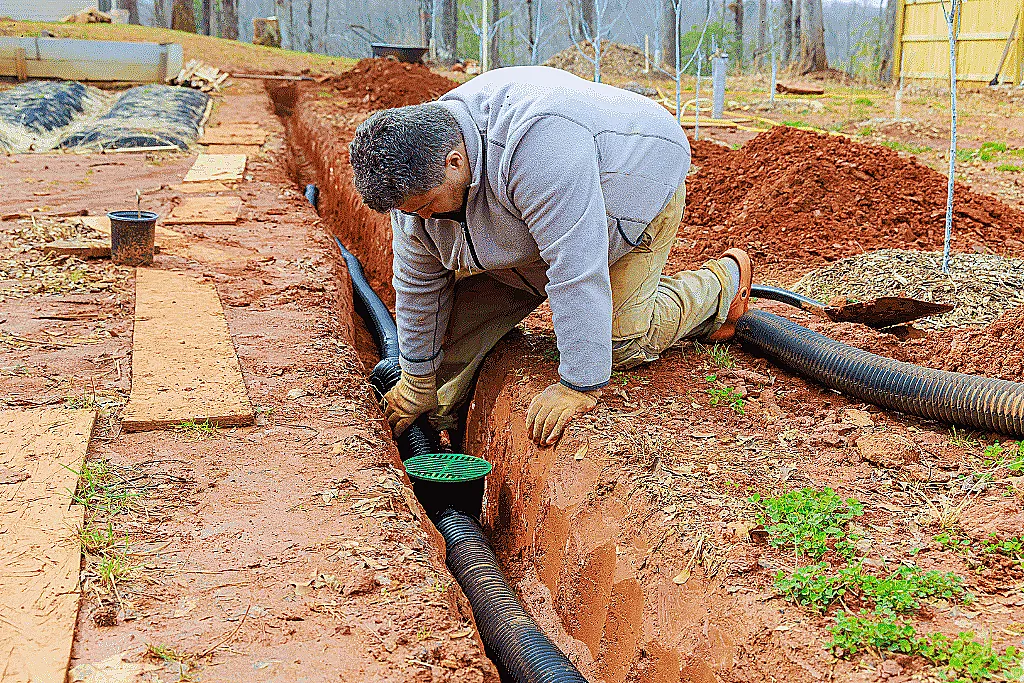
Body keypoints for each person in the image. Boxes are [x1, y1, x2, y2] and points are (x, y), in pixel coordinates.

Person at [349, 66, 752, 447]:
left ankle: (721, 285)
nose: (422, 218)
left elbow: (576, 268)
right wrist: (418, 382)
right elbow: (418, 284)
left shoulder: (537, 145)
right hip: (529, 228)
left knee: (615, 346)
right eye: (411, 212)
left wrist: (578, 384)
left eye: (426, 206)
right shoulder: (417, 183)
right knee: (444, 358)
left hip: (630, 189)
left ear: (454, 163)